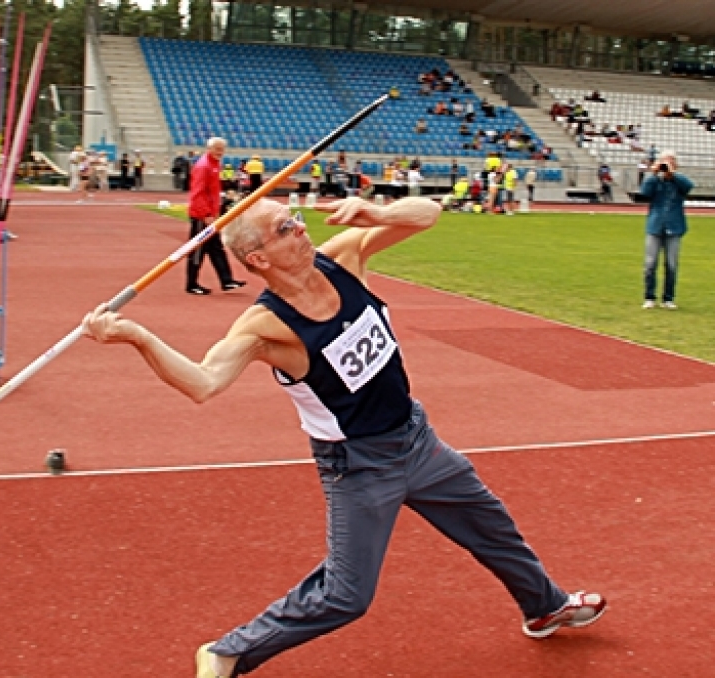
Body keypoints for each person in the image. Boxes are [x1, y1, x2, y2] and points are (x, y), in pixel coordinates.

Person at [81, 196, 608, 678]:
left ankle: (545, 607)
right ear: (259, 257)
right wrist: (136, 336)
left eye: (296, 219)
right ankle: (229, 651)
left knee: (492, 526)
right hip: (358, 466)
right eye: (285, 228)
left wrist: (378, 213)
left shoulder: (341, 259)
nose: (301, 229)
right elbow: (202, 383)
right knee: (346, 595)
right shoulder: (266, 327)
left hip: (417, 438)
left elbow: (427, 215)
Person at [185, 137, 245, 296]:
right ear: (209, 148)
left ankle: (227, 280)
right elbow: (198, 192)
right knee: (198, 250)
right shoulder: (204, 166)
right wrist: (205, 214)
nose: (220, 152)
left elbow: (212, 191)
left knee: (216, 248)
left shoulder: (214, 164)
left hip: (211, 214)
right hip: (201, 216)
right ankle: (191, 283)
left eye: (222, 149)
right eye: (217, 149)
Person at [638, 151, 693, 310]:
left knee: (671, 264)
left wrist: (673, 173)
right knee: (650, 263)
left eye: (669, 161)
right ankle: (649, 296)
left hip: (674, 227)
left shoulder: (679, 181)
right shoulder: (655, 181)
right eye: (664, 161)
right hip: (655, 226)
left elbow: (689, 186)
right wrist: (654, 173)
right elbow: (644, 193)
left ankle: (668, 298)